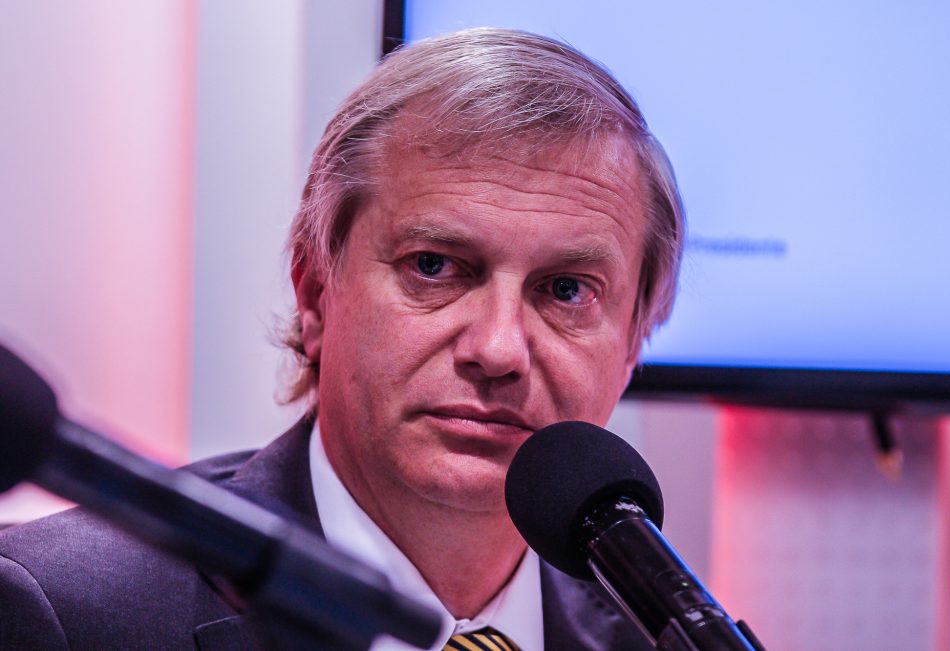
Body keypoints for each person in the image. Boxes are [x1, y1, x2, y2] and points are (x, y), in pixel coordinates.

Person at [0, 27, 683, 650]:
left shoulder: (662, 638)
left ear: (634, 341)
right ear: (314, 293)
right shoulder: (62, 610)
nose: (499, 349)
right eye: (434, 266)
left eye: (566, 290)